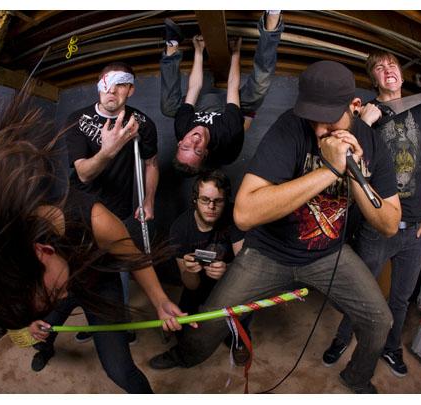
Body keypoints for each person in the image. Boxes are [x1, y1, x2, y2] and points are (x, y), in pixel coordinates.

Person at [148, 61, 402, 394]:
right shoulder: (291, 128)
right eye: (313, 118)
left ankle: (356, 378)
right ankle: (184, 355)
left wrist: (352, 171)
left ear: (354, 107)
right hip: (269, 252)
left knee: (380, 320)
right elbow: (244, 214)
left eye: (329, 120)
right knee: (213, 316)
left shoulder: (373, 146)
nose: (319, 130)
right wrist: (328, 170)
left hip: (327, 255)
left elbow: (389, 224)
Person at [0, 95, 190, 393]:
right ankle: (45, 346)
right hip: (54, 280)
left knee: (119, 370)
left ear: (44, 252)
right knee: (43, 332)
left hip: (98, 283)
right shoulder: (10, 254)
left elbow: (134, 257)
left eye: (54, 294)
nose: (62, 296)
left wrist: (160, 301)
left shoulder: (96, 221)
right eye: (50, 297)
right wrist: (30, 317)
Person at [323, 51, 421, 378]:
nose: (388, 69)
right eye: (379, 66)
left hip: (415, 229)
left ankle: (391, 347)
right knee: (359, 294)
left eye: (393, 64)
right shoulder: (364, 114)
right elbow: (345, 159)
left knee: (401, 299)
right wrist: (363, 123)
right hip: (376, 226)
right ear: (374, 79)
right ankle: (342, 339)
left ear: (401, 73)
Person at [64, 62, 158, 343]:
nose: (111, 91)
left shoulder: (142, 123)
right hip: (80, 210)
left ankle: (123, 324)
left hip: (116, 211)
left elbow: (151, 163)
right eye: (106, 84)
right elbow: (83, 173)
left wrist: (149, 200)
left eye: (120, 85)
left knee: (119, 271)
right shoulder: (77, 120)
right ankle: (95, 321)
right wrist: (109, 150)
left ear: (131, 89)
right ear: (99, 86)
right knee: (82, 269)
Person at [160, 11, 283, 174]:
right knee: (260, 87)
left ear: (180, 142)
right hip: (232, 111)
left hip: (202, 108)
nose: (194, 141)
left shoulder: (182, 128)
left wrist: (199, 51)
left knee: (168, 107)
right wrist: (236, 52)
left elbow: (194, 88)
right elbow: (232, 86)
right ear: (205, 152)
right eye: (197, 150)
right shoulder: (228, 134)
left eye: (186, 146)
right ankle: (272, 21)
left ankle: (172, 43)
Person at [166, 170, 250, 365]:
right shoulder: (180, 228)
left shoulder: (235, 216)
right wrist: (190, 271)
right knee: (185, 334)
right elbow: (191, 285)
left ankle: (238, 340)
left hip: (230, 282)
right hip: (198, 286)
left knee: (244, 300)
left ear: (226, 201)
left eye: (218, 201)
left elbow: (245, 267)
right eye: (205, 200)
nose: (211, 207)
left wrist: (227, 270)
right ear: (195, 199)